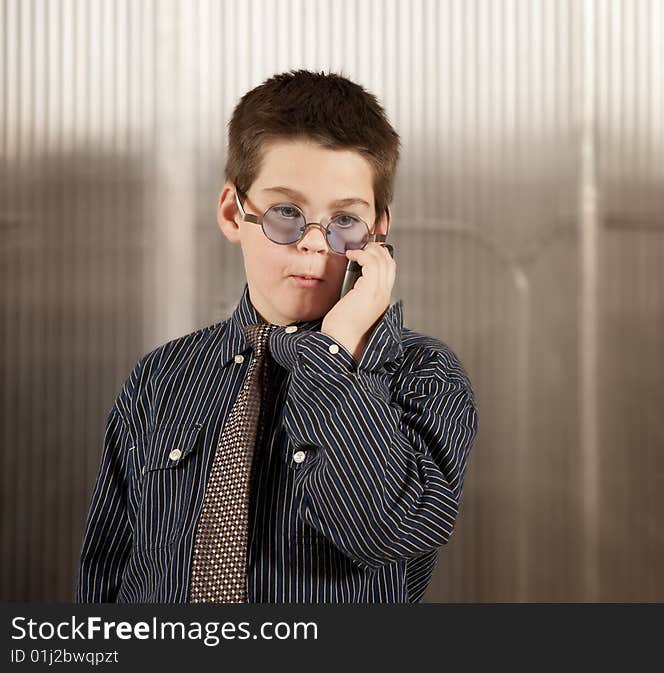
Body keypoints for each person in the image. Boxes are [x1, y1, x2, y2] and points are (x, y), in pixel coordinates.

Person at [75, 69, 479, 603]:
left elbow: (384, 531)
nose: (314, 244)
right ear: (232, 213)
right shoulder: (160, 378)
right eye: (286, 214)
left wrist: (335, 353)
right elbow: (108, 568)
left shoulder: (424, 378)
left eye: (345, 220)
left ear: (379, 232)